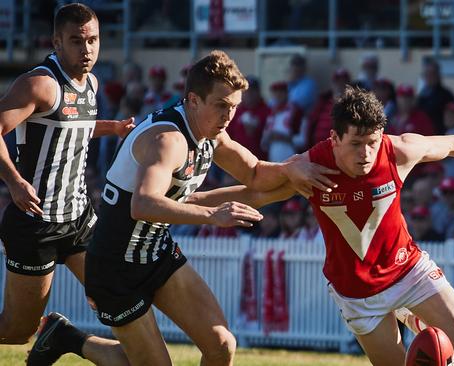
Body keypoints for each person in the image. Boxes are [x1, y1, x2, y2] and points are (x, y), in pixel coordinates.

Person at [239, 86, 454, 365]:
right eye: (356, 143)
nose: (366, 153)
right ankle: (410, 317)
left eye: (372, 142)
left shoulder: (399, 150)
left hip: (408, 271)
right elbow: (256, 186)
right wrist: (196, 204)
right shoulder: (309, 167)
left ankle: (410, 313)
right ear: (334, 139)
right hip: (356, 293)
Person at [83, 50, 337, 366]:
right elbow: (143, 203)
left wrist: (297, 171)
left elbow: (255, 175)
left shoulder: (210, 134)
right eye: (221, 105)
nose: (228, 116)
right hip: (115, 266)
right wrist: (214, 216)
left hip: (156, 253)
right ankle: (74, 340)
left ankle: (65, 337)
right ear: (193, 100)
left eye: (233, 107)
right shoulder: (168, 140)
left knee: (221, 345)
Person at [0, 4, 136, 365]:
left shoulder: (90, 82)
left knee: (121, 296)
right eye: (76, 41)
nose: (87, 49)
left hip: (79, 220)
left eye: (92, 40)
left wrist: (113, 128)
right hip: (35, 222)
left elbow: (75, 125)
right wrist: (14, 181)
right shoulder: (39, 83)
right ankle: (54, 335)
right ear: (56, 42)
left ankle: (67, 337)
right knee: (16, 331)